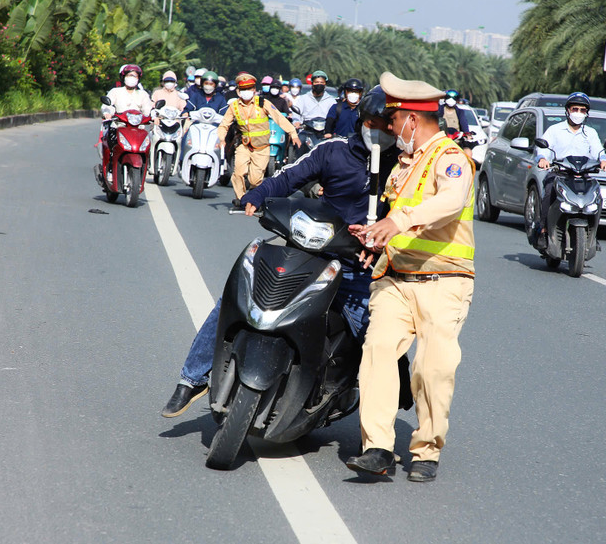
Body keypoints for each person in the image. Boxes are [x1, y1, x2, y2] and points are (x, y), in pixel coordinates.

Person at [161, 86, 410, 419]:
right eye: (373, 122)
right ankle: (191, 379)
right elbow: (289, 176)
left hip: (363, 267)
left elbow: (412, 217)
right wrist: (258, 194)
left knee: (381, 333)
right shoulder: (332, 151)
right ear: (362, 120)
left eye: (386, 124)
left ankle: (384, 420)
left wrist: (383, 244)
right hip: (313, 251)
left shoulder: (406, 165)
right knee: (238, 294)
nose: (378, 131)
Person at [345, 72, 476, 483]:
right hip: (396, 280)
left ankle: (426, 449)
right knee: (378, 351)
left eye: (392, 120)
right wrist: (375, 238)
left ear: (412, 121)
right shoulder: (403, 166)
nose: (387, 128)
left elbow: (450, 203)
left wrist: (397, 220)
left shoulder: (451, 159)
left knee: (432, 370)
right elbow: (394, 225)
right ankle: (378, 447)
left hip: (444, 282)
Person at [534, 92, 606, 249]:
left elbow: (598, 150)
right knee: (548, 192)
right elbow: (542, 147)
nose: (578, 113)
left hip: (583, 176)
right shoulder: (555, 130)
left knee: (597, 197)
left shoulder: (590, 133)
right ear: (567, 110)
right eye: (575, 109)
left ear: (586, 113)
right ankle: (543, 230)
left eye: (582, 110)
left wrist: (604, 161)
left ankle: (593, 234)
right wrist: (542, 159)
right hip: (559, 173)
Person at [217, 72, 301, 207]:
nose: (246, 92)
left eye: (249, 89)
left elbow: (279, 118)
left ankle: (253, 196)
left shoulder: (263, 103)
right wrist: (222, 139)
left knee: (255, 180)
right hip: (244, 145)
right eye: (243, 89)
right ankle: (241, 199)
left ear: (254, 90)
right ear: (238, 91)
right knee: (238, 173)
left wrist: (293, 133)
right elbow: (224, 125)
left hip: (262, 148)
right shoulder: (234, 106)